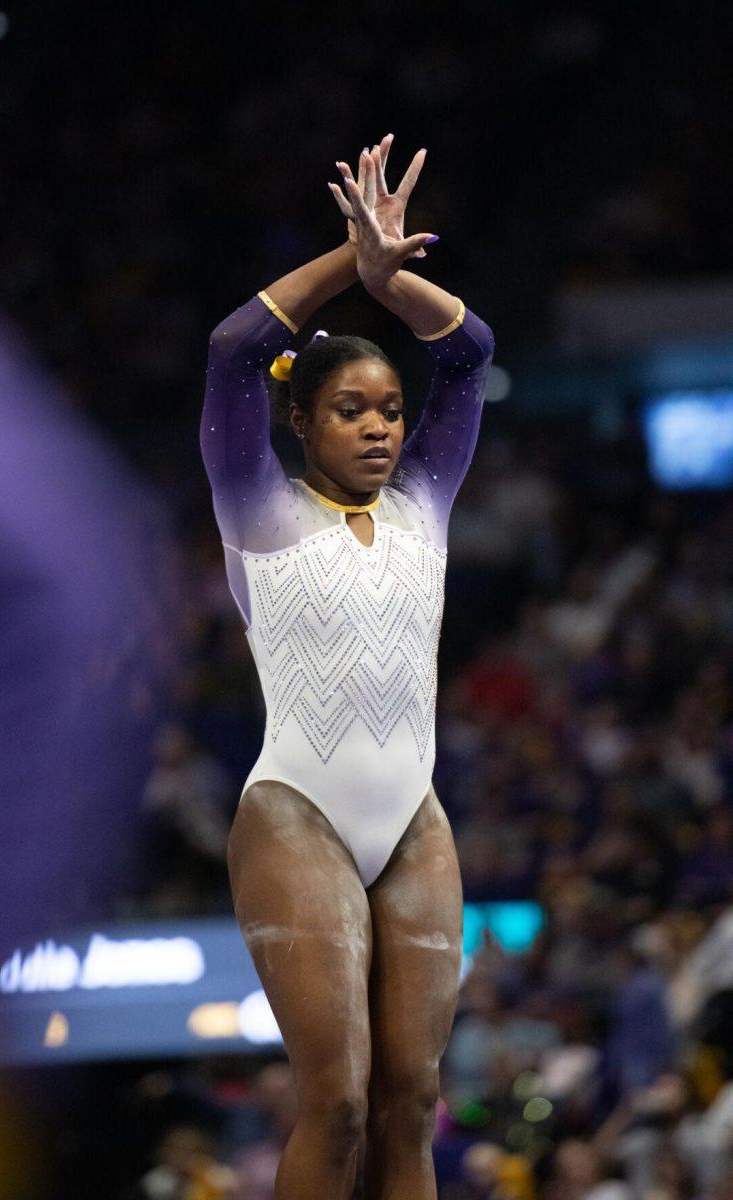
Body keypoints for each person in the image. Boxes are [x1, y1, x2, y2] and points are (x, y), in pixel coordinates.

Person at [200, 135, 494, 1199]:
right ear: (299, 420)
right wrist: (345, 260)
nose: (376, 428)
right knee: (337, 1099)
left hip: (413, 819)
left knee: (412, 1102)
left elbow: (469, 352)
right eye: (348, 411)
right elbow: (234, 350)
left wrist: (392, 281)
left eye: (387, 412)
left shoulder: (424, 506)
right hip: (296, 814)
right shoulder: (260, 512)